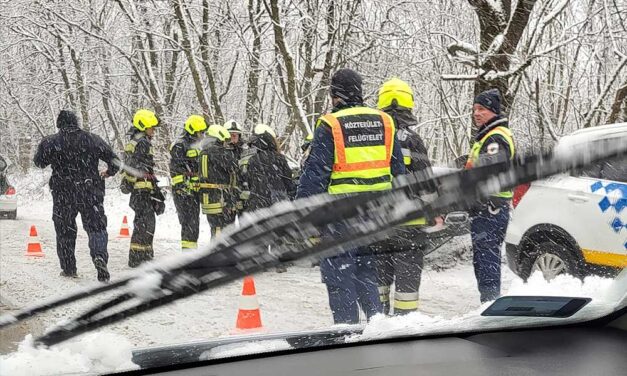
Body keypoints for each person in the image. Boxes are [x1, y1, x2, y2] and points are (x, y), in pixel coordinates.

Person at [297, 68, 406, 324]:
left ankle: (346, 335)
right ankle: (376, 328)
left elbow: (315, 176)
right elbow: (399, 173)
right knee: (367, 274)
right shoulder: (385, 122)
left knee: (339, 278)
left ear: (335, 94)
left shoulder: (331, 125)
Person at [370, 78, 433, 315]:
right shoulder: (412, 140)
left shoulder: (372, 138)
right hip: (409, 228)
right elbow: (426, 185)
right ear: (409, 103)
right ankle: (404, 325)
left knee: (378, 281)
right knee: (407, 288)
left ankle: (377, 321)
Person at [33, 110, 119, 282]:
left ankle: (69, 268)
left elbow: (39, 163)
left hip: (63, 193)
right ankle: (99, 256)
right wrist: (109, 172)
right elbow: (115, 160)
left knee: (65, 231)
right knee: (97, 228)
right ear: (76, 122)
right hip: (90, 191)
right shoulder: (93, 139)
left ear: (59, 124)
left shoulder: (51, 142)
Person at [465, 88, 516, 303]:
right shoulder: (487, 137)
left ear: (493, 111)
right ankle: (487, 302)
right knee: (484, 258)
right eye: (475, 109)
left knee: (487, 258)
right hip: (486, 208)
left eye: (482, 109)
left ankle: (490, 304)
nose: (477, 113)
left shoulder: (495, 137)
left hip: (491, 208)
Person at [121, 109, 164, 268]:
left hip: (140, 190)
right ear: (144, 126)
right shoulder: (142, 143)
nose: (154, 131)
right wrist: (149, 188)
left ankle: (143, 255)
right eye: (152, 127)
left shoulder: (136, 141)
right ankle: (138, 257)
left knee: (144, 222)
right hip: (142, 191)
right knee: (145, 223)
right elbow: (136, 168)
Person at [238, 123, 296, 213]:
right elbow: (289, 183)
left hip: (256, 207)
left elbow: (246, 183)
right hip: (278, 207)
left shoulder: (250, 160)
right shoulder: (279, 158)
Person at [170, 115, 207, 251]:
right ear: (193, 130)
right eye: (200, 132)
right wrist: (183, 187)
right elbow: (176, 170)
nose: (202, 135)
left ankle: (191, 253)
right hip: (184, 193)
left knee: (193, 224)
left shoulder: (196, 145)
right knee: (188, 224)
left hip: (194, 192)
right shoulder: (180, 145)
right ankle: (188, 254)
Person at [198, 124, 238, 239]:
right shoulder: (215, 151)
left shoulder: (204, 152)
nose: (226, 144)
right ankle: (219, 254)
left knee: (216, 229)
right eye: (224, 141)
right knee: (221, 231)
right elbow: (233, 166)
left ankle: (218, 252)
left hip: (209, 198)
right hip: (218, 198)